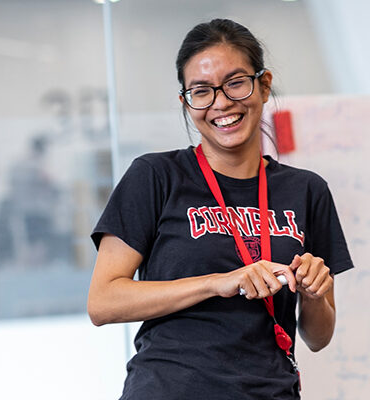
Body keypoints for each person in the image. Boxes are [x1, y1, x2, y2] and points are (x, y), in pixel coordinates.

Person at [87, 19, 354, 400]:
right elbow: (103, 302)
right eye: (201, 91)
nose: (222, 102)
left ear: (263, 85)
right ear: (186, 102)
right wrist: (218, 282)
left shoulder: (307, 190)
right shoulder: (156, 176)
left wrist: (314, 294)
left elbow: (318, 337)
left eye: (235, 82)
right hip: (170, 389)